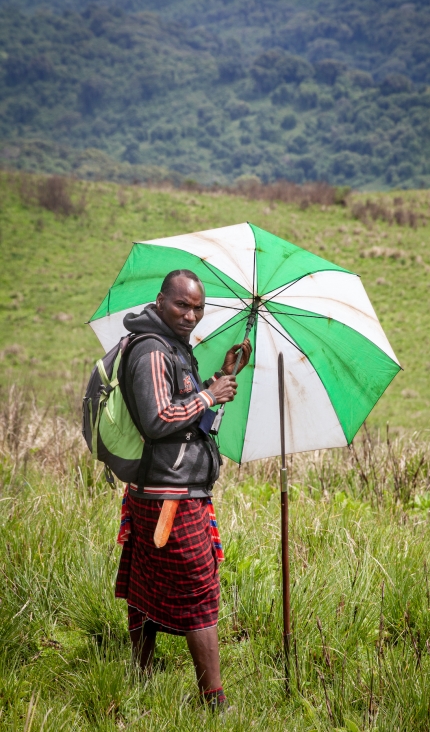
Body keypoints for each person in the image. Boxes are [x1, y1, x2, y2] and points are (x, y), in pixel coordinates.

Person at [115, 268, 252, 710]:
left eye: (198, 308)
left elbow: (185, 412)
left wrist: (218, 378)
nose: (191, 315)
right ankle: (215, 701)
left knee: (146, 586)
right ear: (160, 301)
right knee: (199, 591)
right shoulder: (153, 351)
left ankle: (138, 677)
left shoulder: (175, 349)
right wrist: (208, 397)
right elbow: (158, 420)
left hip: (163, 492)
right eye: (182, 305)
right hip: (169, 497)